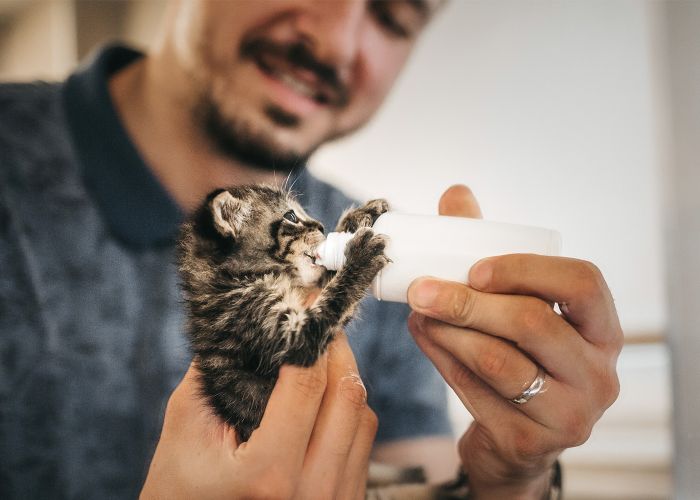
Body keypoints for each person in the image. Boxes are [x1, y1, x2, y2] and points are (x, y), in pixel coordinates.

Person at [0, 1, 623, 498]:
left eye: (391, 16)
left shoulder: (377, 250)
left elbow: (423, 481)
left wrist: (512, 479)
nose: (337, 42)